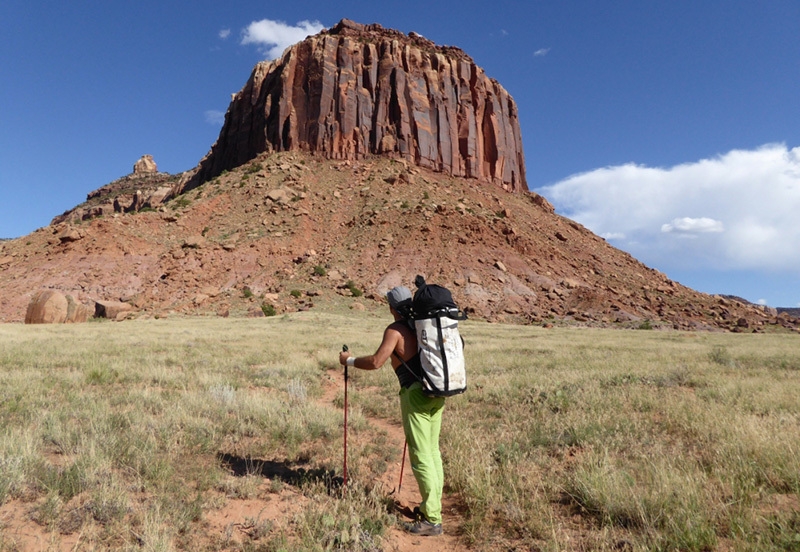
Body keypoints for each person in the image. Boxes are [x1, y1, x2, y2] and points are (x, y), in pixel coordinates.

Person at [339, 286, 445, 537]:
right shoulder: (424, 326)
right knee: (433, 452)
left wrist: (348, 361)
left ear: (390, 307)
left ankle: (432, 519)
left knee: (421, 457)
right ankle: (432, 508)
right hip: (437, 391)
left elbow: (376, 362)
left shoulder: (396, 330)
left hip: (415, 395)